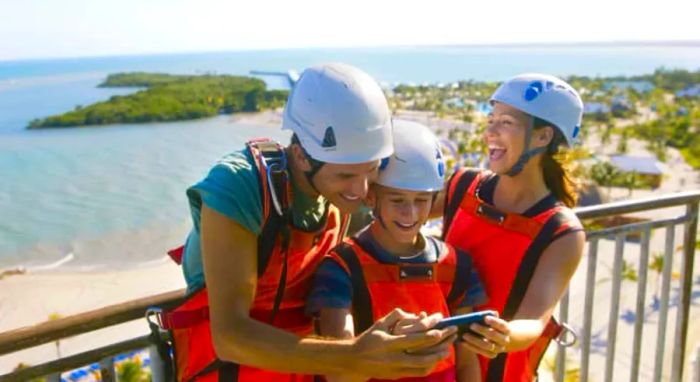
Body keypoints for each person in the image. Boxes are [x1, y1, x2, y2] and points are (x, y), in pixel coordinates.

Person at [158, 63, 457, 381]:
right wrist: (355, 357)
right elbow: (230, 336)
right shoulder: (239, 186)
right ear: (301, 156)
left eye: (371, 169)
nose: (361, 190)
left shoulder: (338, 193)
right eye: (345, 175)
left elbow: (409, 207)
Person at [434, 73, 586, 381]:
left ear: (543, 137)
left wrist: (505, 335)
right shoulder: (463, 185)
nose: (490, 131)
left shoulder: (561, 232)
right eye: (491, 119)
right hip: (438, 368)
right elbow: (399, 207)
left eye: (506, 122)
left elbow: (534, 320)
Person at [309, 120, 487, 382]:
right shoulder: (341, 268)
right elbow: (338, 374)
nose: (410, 213)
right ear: (371, 197)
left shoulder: (457, 266)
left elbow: (466, 366)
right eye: (397, 200)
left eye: (421, 200)